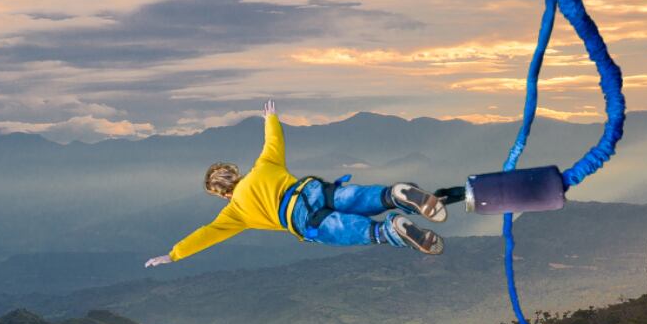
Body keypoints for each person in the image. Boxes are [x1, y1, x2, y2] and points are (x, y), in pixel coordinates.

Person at [145, 100, 448, 268]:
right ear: (233, 173)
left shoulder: (234, 213)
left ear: (221, 193)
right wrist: (271, 118)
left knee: (358, 231)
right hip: (314, 190)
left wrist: (173, 254)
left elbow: (205, 236)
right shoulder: (263, 166)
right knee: (360, 197)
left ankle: (391, 230)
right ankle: (395, 195)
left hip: (302, 219)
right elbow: (273, 141)